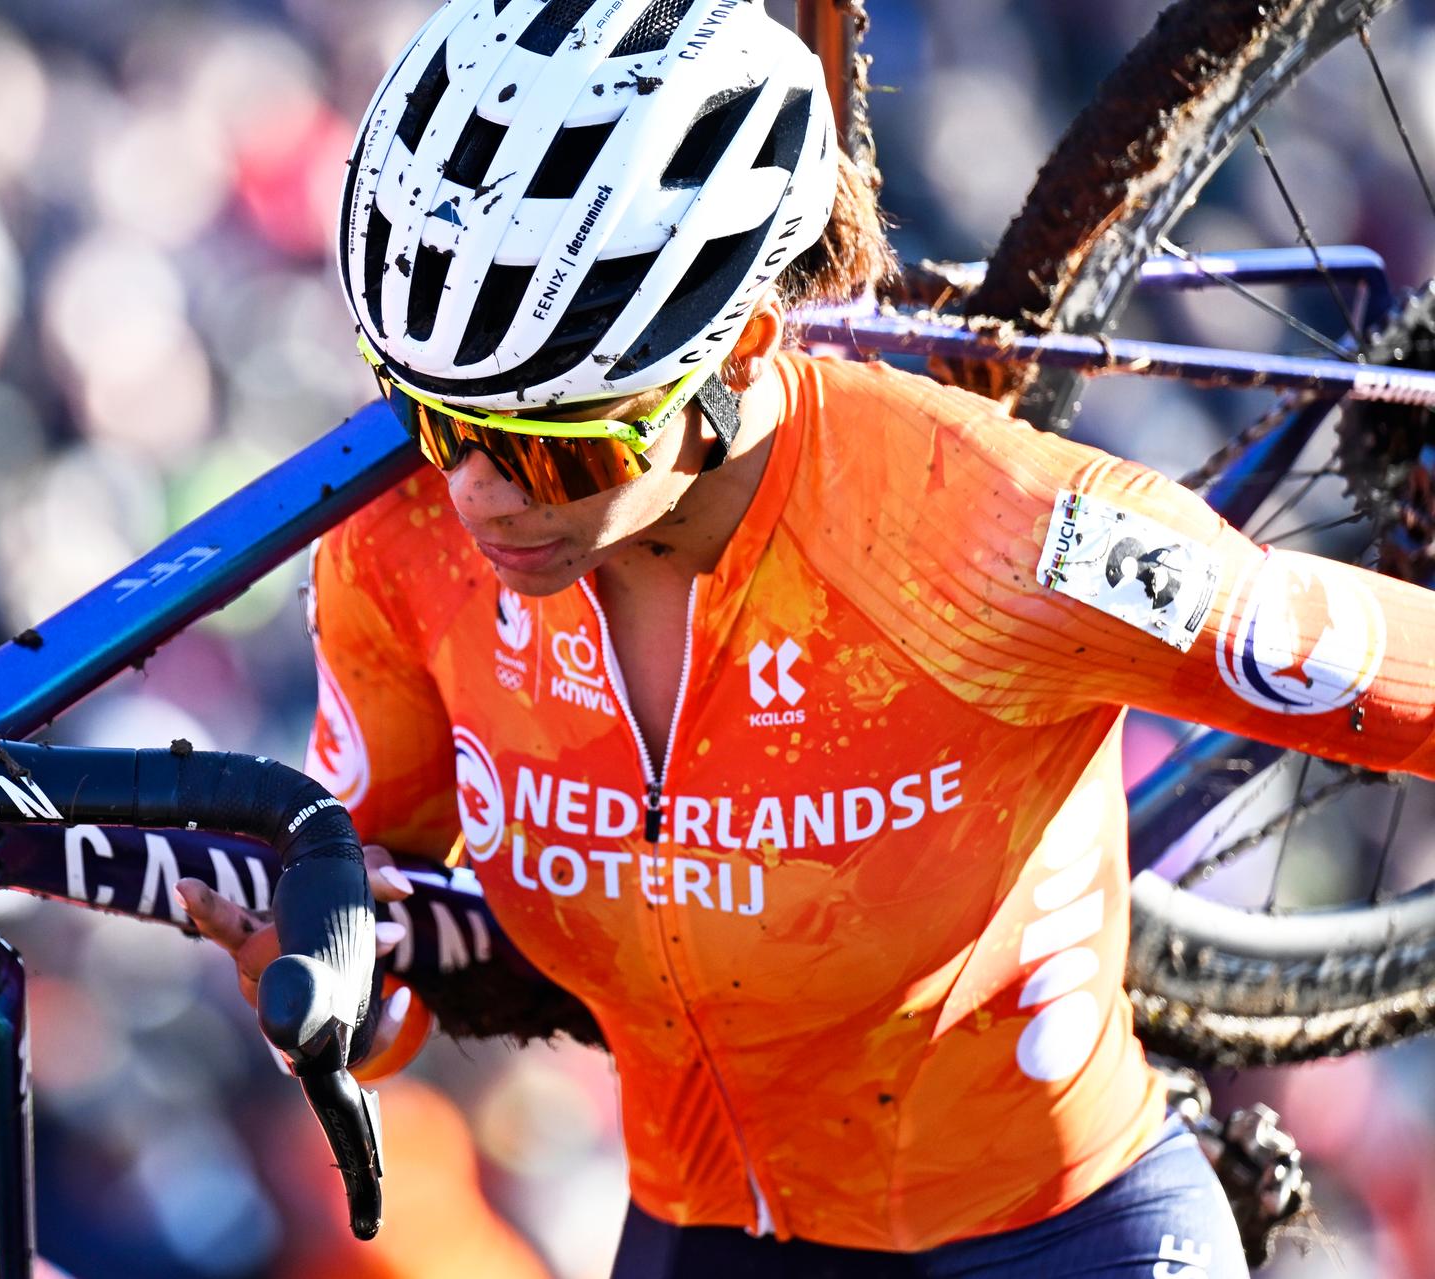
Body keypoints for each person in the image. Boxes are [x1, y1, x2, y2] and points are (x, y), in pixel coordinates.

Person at [178, 0, 1435, 1274]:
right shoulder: (400, 550)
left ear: (747, 345)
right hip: (698, 1233)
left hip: (1057, 1234)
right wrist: (303, 973)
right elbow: (399, 975)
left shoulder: (996, 535)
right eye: (435, 421)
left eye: (558, 444)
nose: (479, 494)